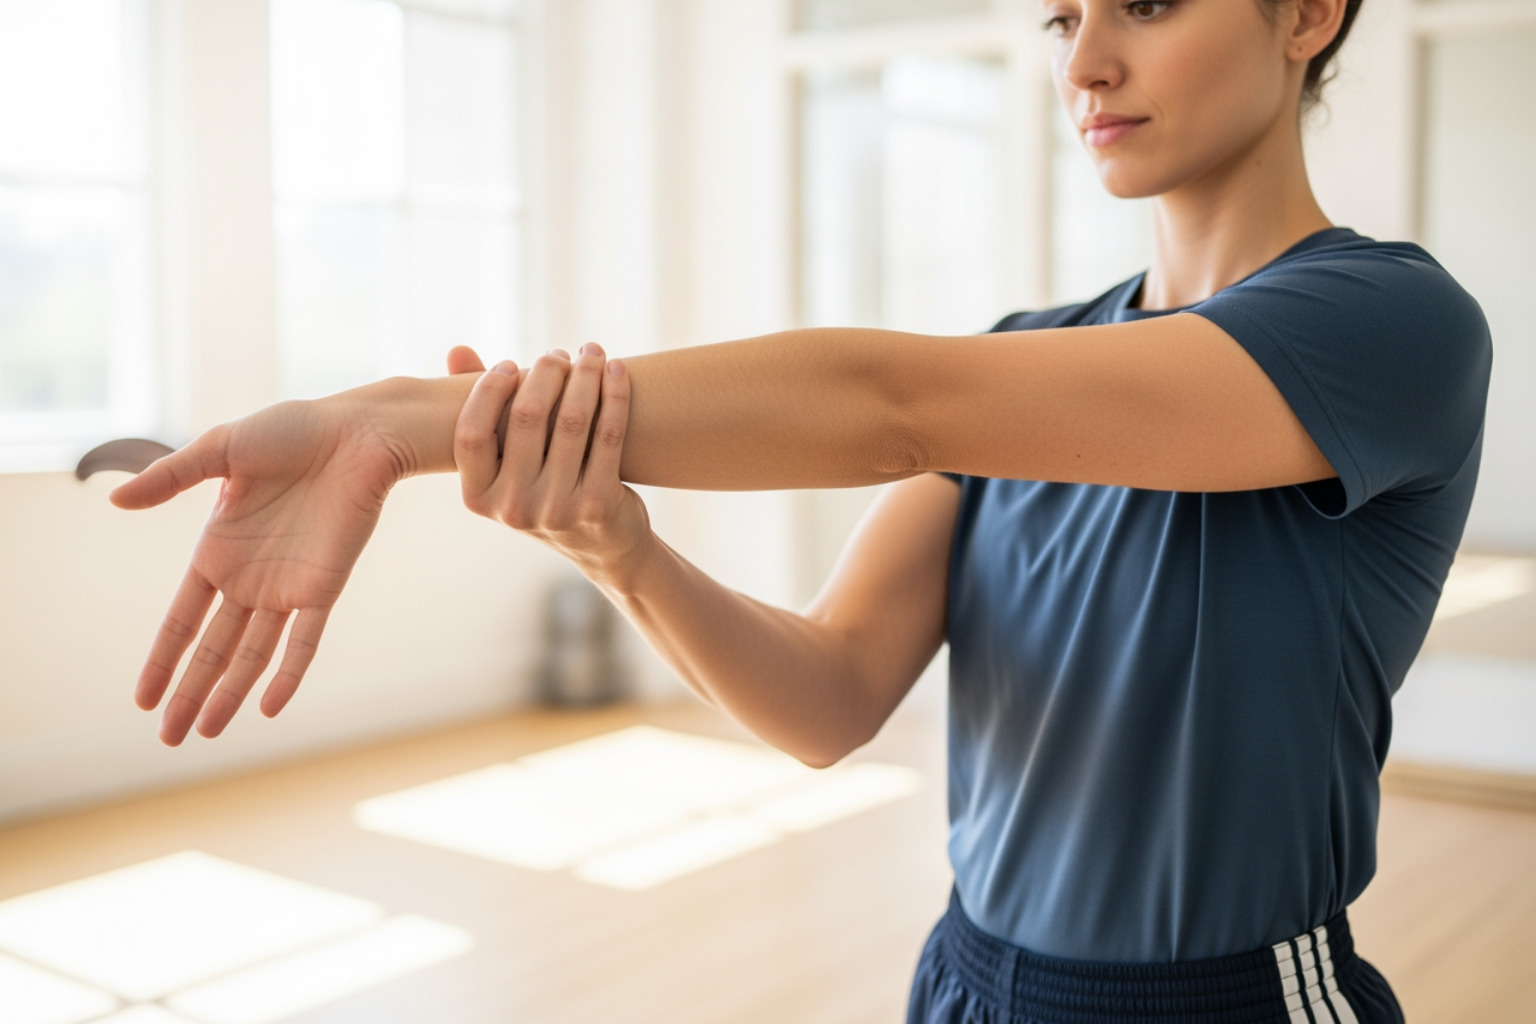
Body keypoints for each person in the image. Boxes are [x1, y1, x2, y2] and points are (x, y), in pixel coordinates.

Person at [110, 0, 1490, 1020]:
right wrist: (623, 551)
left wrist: (397, 423)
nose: (1080, 63)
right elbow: (829, 698)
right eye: (1063, 18)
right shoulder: (1025, 354)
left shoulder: (1389, 328)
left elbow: (886, 397)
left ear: (1308, 14)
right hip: (966, 979)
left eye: (1141, 6)